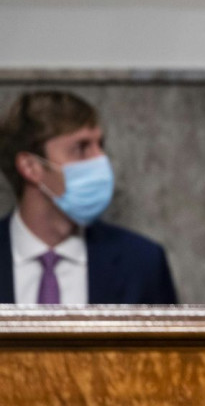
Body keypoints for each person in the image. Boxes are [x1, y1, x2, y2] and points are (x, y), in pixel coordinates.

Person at [0, 91, 177, 304]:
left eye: (100, 146)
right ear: (31, 167)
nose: (101, 160)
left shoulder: (142, 261)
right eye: (81, 148)